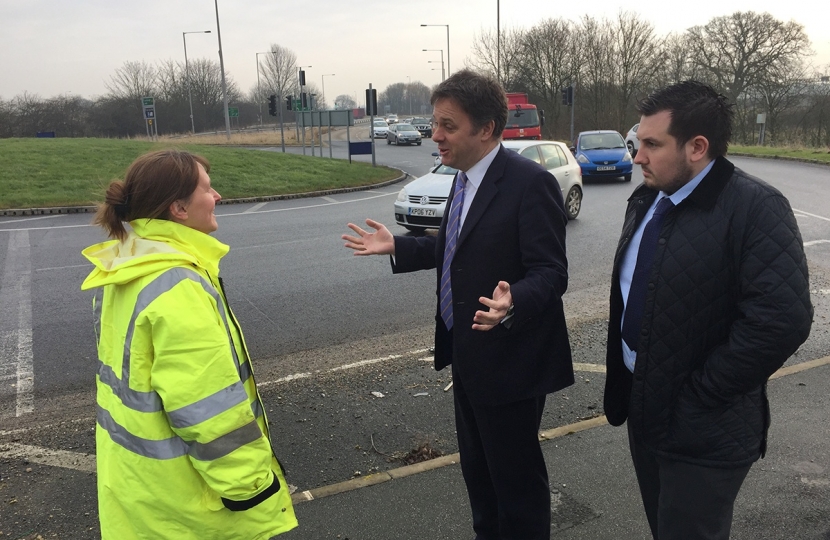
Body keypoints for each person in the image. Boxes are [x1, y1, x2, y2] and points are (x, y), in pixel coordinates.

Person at [342, 69, 573, 539]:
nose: (436, 135)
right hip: (466, 355)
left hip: (512, 361)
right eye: (434, 123)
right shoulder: (463, 179)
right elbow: (455, 248)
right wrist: (399, 246)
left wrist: (515, 302)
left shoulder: (530, 184)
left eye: (447, 125)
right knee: (481, 480)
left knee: (516, 487)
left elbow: (552, 273)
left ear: (485, 128)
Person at [604, 81, 813, 540]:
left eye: (652, 145)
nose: (637, 156)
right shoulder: (647, 198)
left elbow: (782, 320)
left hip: (705, 430)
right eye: (638, 142)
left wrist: (699, 395)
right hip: (646, 414)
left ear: (697, 147)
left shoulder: (756, 207)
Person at [81, 150, 298, 539]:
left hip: (138, 488)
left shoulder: (126, 267)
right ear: (179, 208)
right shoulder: (177, 285)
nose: (217, 196)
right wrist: (250, 487)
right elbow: (207, 407)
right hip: (188, 506)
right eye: (207, 188)